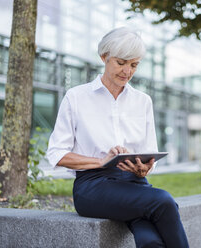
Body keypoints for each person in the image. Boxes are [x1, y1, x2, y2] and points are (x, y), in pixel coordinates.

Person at [46, 27, 189, 248]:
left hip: (134, 184)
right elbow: (57, 153)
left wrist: (144, 168)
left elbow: (148, 150)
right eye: (121, 63)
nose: (127, 71)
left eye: (134, 65)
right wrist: (101, 161)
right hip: (92, 186)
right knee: (164, 201)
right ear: (104, 57)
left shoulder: (143, 101)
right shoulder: (76, 97)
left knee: (150, 241)